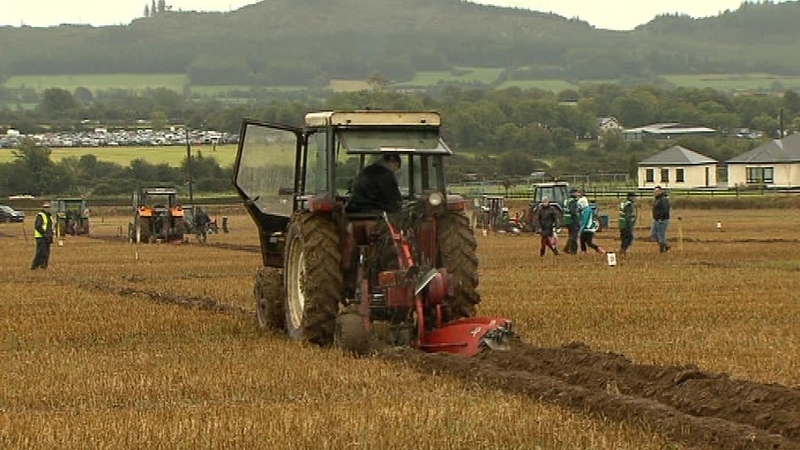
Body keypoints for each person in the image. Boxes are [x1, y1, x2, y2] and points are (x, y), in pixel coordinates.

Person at [30, 201, 54, 270]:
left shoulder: (50, 216)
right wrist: (44, 234)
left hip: (48, 237)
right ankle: (34, 267)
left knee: (46, 253)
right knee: (40, 253)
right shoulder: (40, 215)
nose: (47, 209)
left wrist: (51, 234)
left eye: (48, 207)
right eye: (46, 207)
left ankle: (43, 267)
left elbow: (50, 226)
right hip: (41, 237)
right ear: (43, 208)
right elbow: (38, 226)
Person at [651, 186, 671, 253]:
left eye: (657, 191)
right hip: (656, 219)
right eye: (654, 191)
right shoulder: (656, 199)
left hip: (662, 220)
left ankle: (662, 250)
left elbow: (665, 210)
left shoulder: (664, 199)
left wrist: (661, 218)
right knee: (653, 235)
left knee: (661, 235)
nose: (655, 192)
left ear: (660, 191)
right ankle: (666, 246)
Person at [562, 188, 580, 254]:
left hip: (567, 221)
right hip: (572, 221)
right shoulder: (573, 201)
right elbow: (573, 212)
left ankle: (567, 248)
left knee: (571, 235)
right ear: (573, 193)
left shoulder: (567, 200)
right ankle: (573, 250)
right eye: (577, 193)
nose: (578, 194)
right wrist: (577, 221)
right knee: (574, 236)